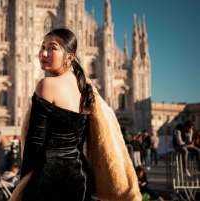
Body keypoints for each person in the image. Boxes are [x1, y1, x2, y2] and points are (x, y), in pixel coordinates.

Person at [10, 28, 141, 201]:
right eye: (42, 46)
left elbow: (35, 143)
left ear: (69, 57)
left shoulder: (46, 85)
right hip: (80, 176)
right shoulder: (85, 88)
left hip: (49, 177)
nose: (43, 52)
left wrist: (24, 185)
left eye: (52, 48)